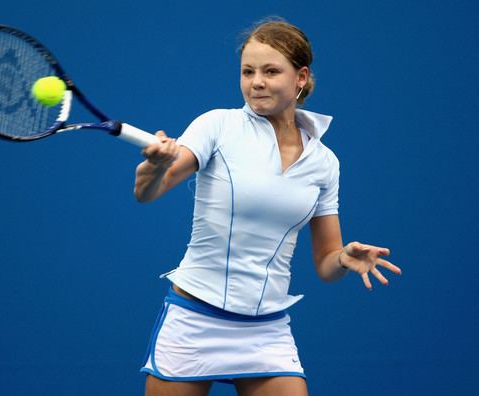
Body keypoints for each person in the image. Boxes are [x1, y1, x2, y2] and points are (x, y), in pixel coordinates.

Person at [133, 18, 402, 396]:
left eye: (270, 71)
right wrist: (154, 165)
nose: (256, 82)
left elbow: (325, 263)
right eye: (247, 71)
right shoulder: (217, 126)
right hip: (195, 318)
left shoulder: (325, 162)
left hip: (265, 327)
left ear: (301, 78)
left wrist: (343, 258)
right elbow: (148, 191)